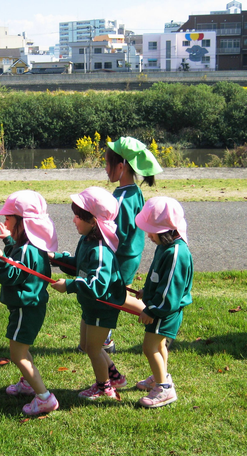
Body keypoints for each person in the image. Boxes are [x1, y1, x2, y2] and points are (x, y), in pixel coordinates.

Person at [0, 190, 59, 415]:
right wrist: (7, 240)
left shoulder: (25, 249)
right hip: (29, 307)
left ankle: (44, 397)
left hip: (26, 308)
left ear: (22, 223)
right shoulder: (31, 244)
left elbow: (11, 275)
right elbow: (19, 255)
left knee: (17, 354)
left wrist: (0, 258)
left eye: (8, 218)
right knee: (22, 350)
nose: (4, 221)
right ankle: (27, 383)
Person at [50, 186, 127, 400]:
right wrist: (54, 257)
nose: (74, 220)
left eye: (78, 216)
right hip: (91, 305)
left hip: (103, 307)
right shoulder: (87, 241)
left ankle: (104, 388)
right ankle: (115, 376)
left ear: (93, 221)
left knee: (93, 349)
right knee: (85, 345)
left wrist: (70, 285)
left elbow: (97, 285)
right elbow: (79, 265)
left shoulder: (101, 250)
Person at [100, 137, 163, 353]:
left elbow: (117, 233)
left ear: (121, 166)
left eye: (108, 164)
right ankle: (104, 339)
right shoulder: (132, 191)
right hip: (129, 254)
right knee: (110, 295)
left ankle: (157, 318)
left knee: (115, 296)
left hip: (122, 256)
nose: (105, 168)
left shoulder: (123, 198)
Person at [134, 197, 193, 408]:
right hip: (161, 307)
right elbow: (159, 278)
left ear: (166, 230)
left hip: (165, 311)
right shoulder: (165, 246)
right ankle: (161, 376)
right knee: (159, 345)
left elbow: (170, 291)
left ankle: (164, 389)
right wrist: (146, 291)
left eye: (151, 230)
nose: (148, 235)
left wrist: (152, 309)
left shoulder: (176, 253)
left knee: (150, 348)